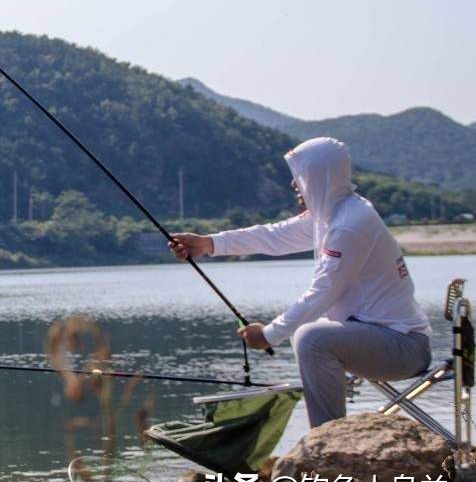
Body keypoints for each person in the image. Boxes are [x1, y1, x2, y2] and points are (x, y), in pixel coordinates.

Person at [168, 136, 432, 427]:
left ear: (320, 177)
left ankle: (327, 441)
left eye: (299, 176)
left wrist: (269, 335)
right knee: (308, 335)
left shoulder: (349, 225)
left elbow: (323, 292)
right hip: (383, 339)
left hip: (403, 348)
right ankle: (330, 439)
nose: (294, 184)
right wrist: (208, 244)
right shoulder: (332, 214)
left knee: (310, 338)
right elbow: (273, 236)